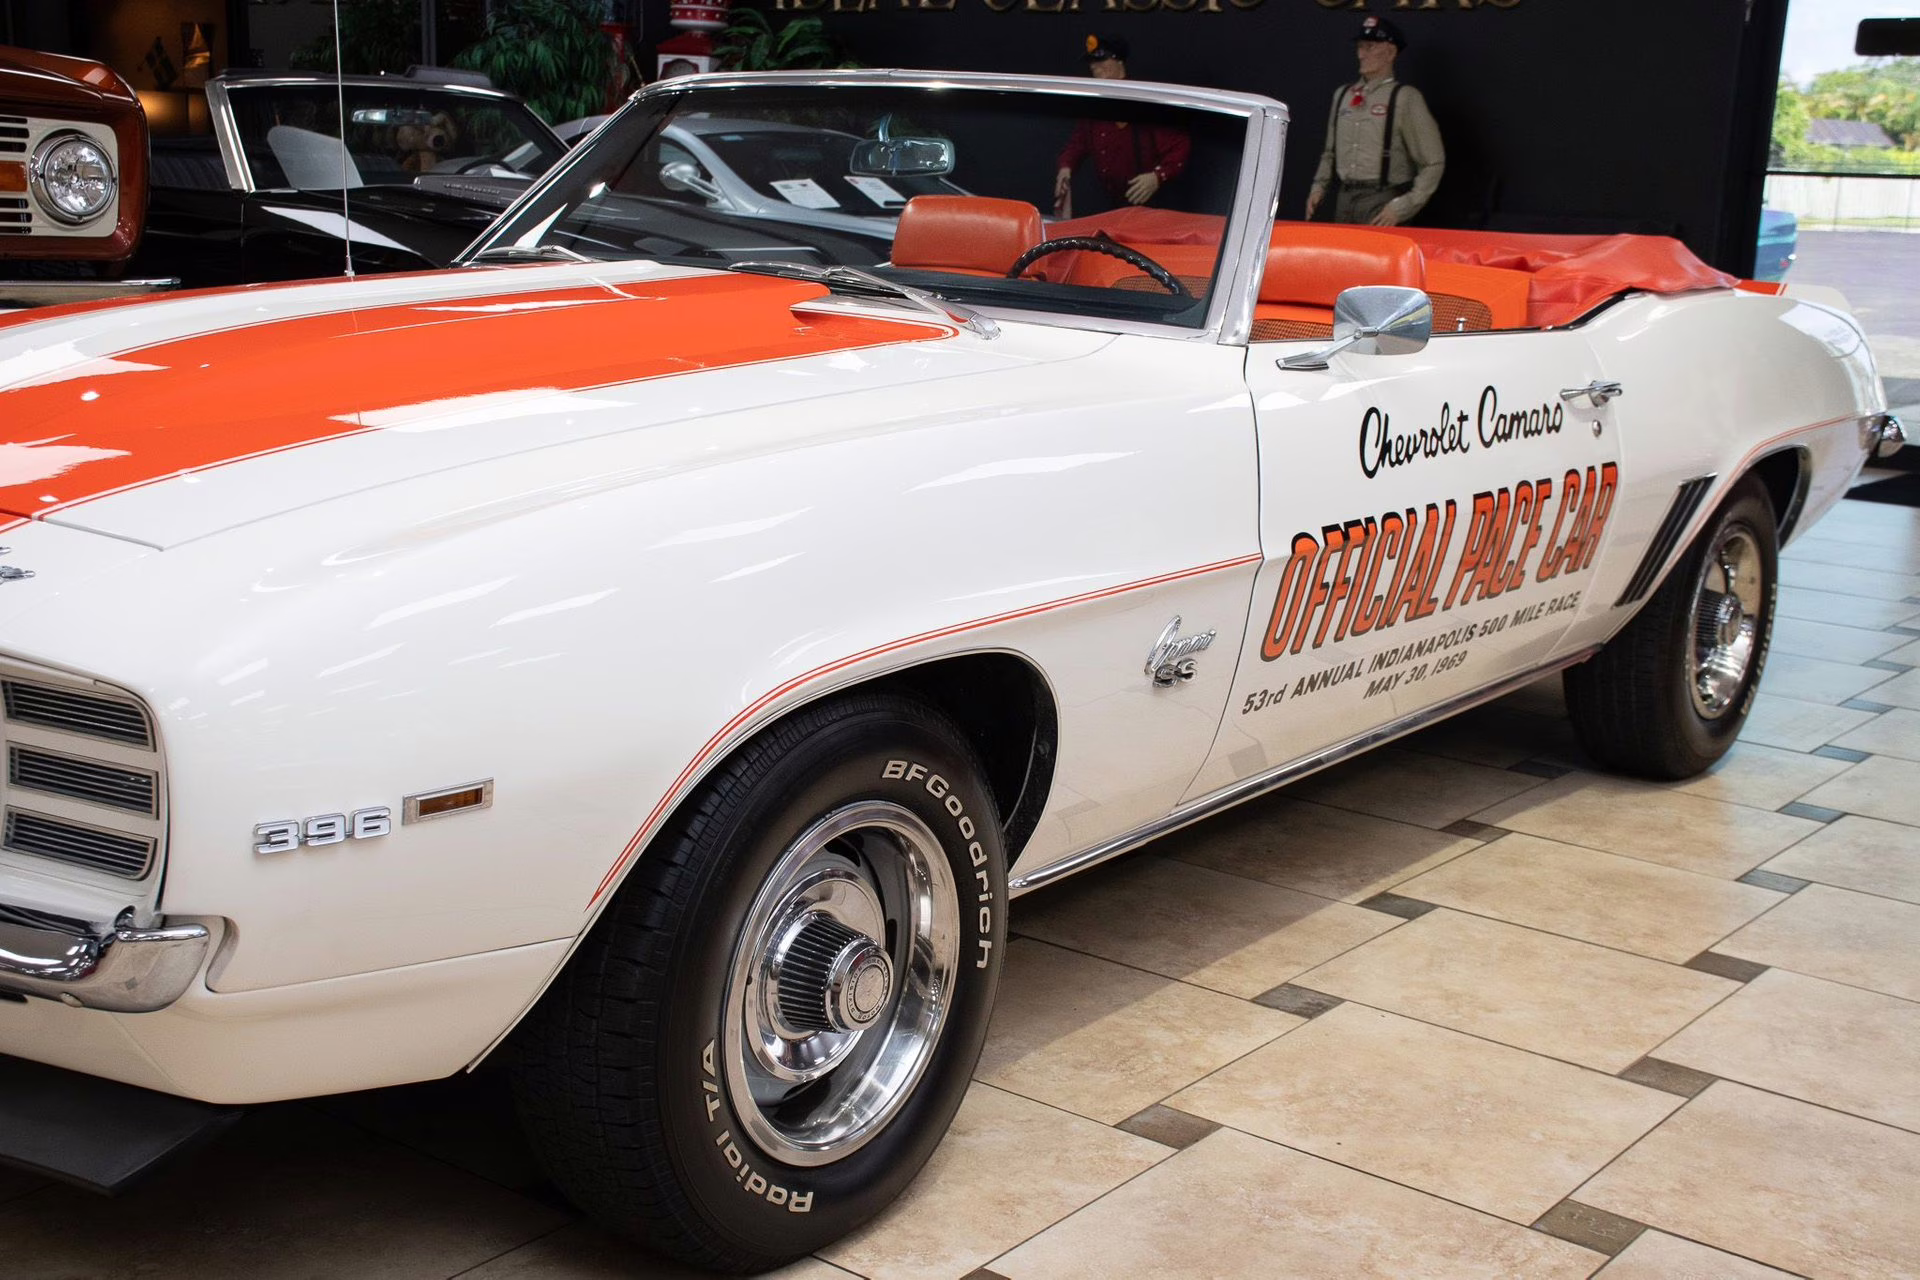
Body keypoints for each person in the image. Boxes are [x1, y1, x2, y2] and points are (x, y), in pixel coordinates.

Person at [1304, 16, 1445, 227]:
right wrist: (1318, 187)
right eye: (1360, 47)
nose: (1361, 54)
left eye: (1370, 47)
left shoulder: (1404, 98)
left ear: (1390, 52)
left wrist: (1403, 206)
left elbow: (1433, 161)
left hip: (1382, 200)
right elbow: (1330, 152)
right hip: (1344, 199)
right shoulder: (1343, 95)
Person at [1053, 35, 1190, 217]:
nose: (1095, 67)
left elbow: (1179, 145)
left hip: (1148, 206)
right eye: (1092, 63)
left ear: (1118, 61)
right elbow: (1078, 143)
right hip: (1111, 203)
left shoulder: (1142, 102)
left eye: (1101, 60)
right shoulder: (1094, 106)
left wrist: (1157, 177)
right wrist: (1066, 167)